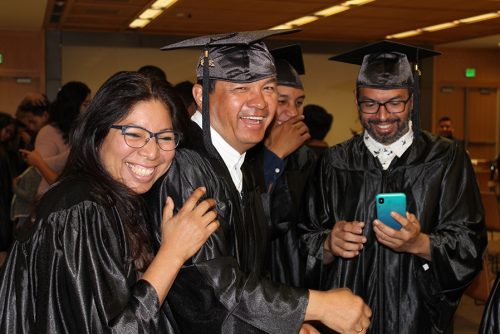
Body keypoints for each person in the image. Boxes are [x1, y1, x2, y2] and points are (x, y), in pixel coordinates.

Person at [148, 30, 372, 334]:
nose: (260, 103)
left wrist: (289, 322)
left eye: (268, 87)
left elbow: (250, 271)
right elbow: (211, 291)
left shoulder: (240, 164)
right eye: (241, 88)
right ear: (201, 97)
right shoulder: (187, 167)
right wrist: (318, 305)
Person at [0, 71, 219, 333]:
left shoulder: (117, 199)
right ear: (99, 133)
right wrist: (172, 253)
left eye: (165, 137)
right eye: (134, 134)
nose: (152, 152)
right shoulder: (83, 211)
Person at [299, 40, 487, 333]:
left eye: (395, 102)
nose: (383, 116)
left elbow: (470, 244)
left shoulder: (446, 159)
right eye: (370, 103)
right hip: (347, 321)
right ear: (357, 100)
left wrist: (421, 243)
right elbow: (301, 239)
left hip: (419, 318)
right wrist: (328, 244)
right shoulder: (334, 162)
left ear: (411, 99)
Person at [21, 81, 91, 195]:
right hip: (52, 200)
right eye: (85, 105)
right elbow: (41, 169)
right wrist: (77, 151)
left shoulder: (81, 131)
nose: (89, 109)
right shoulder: (49, 131)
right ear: (73, 105)